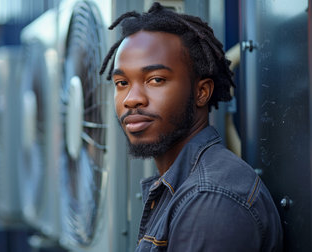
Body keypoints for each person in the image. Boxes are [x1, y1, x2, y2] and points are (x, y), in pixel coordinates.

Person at [100, 3, 283, 251]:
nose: (131, 99)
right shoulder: (183, 186)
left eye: (155, 80)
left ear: (201, 92)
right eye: (122, 82)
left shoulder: (211, 200)